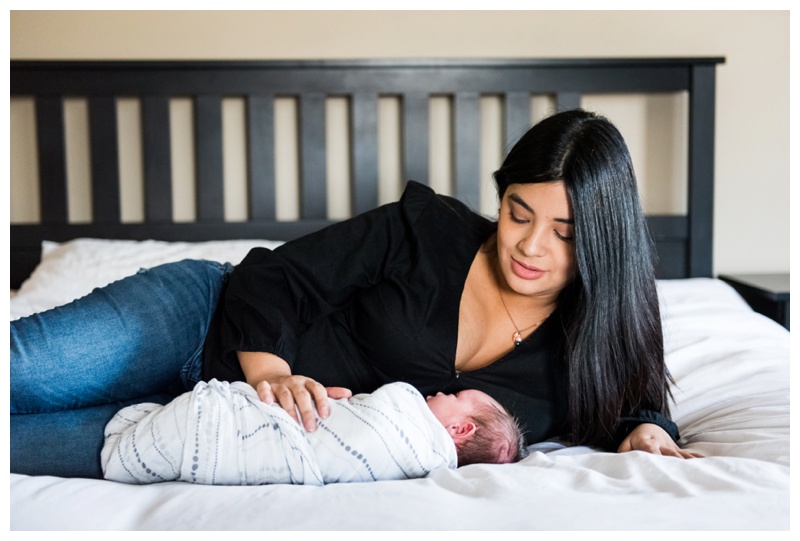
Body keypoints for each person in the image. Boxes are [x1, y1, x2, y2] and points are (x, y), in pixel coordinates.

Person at [11, 109, 700, 480]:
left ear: (604, 241)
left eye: (565, 233)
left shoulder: (590, 341)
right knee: (27, 373)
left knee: (18, 445)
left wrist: (645, 427)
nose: (529, 246)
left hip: (216, 433)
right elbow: (274, 275)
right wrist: (271, 372)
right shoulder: (427, 231)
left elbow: (631, 397)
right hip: (198, 320)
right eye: (518, 213)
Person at [101, 380, 526, 485]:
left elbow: (361, 434)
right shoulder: (421, 459)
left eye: (453, 394)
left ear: (459, 428)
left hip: (215, 430)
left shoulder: (409, 434)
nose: (438, 390)